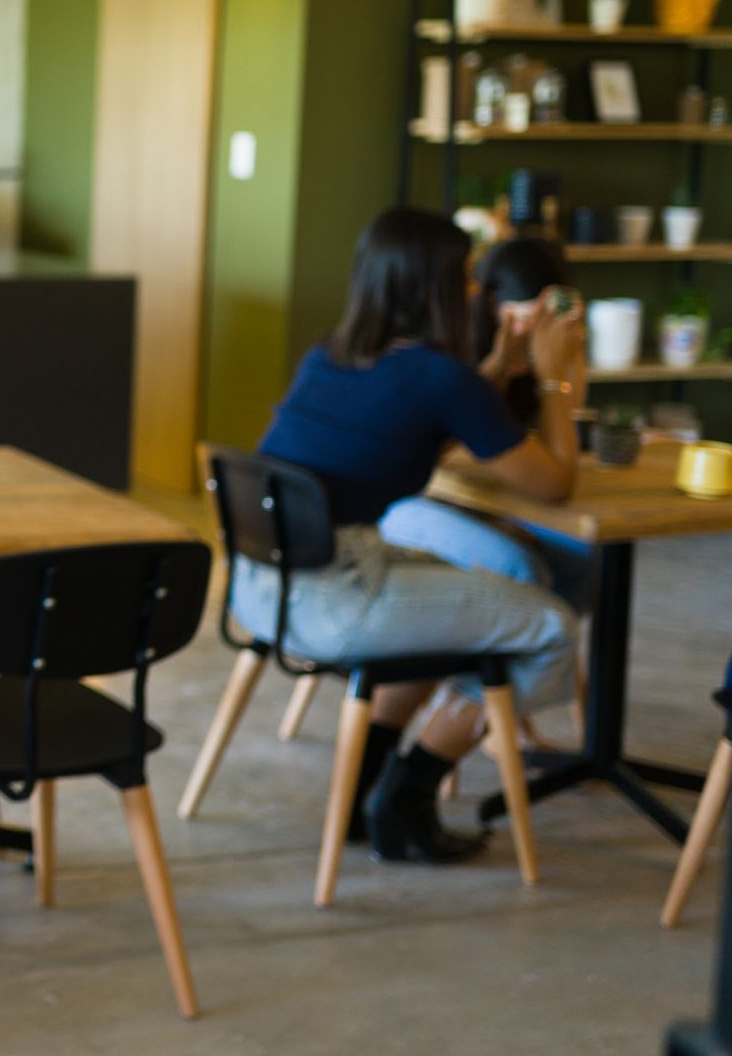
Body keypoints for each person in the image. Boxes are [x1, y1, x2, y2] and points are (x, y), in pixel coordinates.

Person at [230, 208, 584, 865]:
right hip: (336, 599)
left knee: (452, 615)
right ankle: (406, 794)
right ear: (433, 289)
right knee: (551, 628)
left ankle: (363, 796)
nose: (476, 291)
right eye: (466, 277)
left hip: (261, 590)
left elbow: (434, 416)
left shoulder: (331, 354)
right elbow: (555, 483)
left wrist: (501, 366)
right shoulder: (439, 376)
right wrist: (555, 373)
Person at [379, 235, 599, 614]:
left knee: (579, 555)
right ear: (492, 304)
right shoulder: (450, 346)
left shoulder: (544, 348)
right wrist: (509, 369)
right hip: (425, 499)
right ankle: (516, 659)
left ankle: (535, 658)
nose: (531, 333)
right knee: (530, 565)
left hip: (493, 493)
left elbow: (564, 428)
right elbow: (443, 446)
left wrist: (565, 360)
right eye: (523, 319)